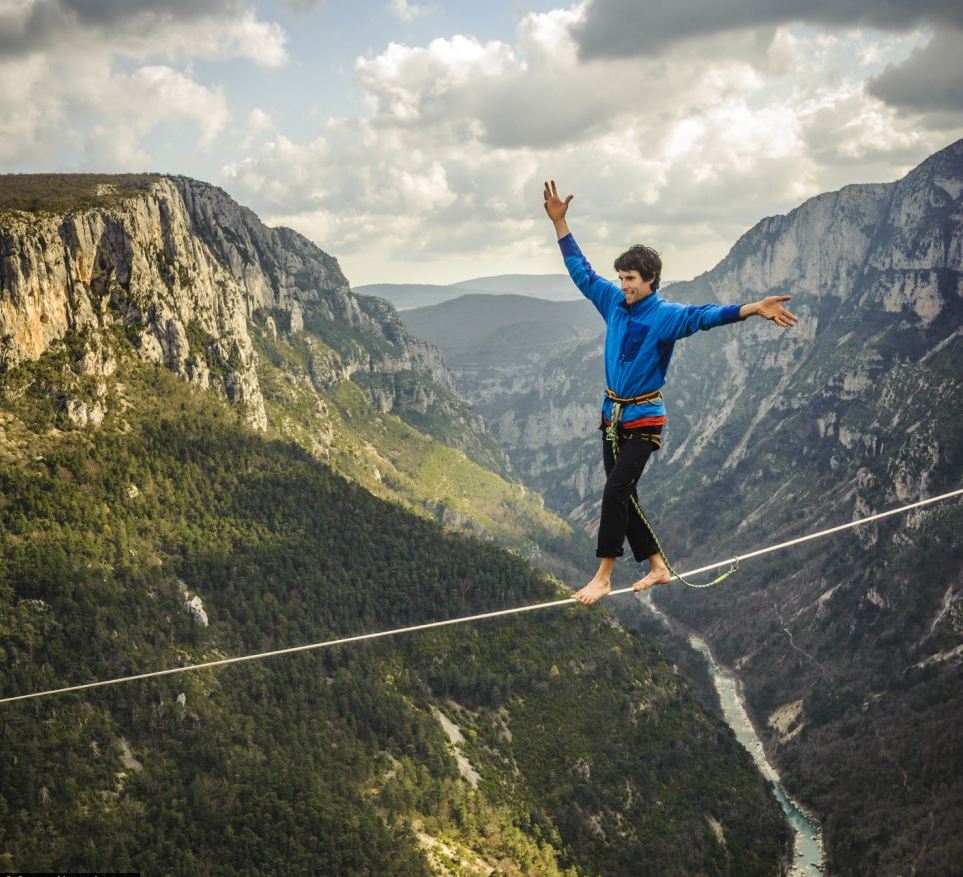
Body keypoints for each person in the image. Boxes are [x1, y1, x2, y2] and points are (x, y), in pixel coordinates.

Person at [543, 179, 797, 605]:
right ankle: (658, 566)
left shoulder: (665, 316)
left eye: (631, 279)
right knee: (627, 495)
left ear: (651, 280)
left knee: (614, 493)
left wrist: (753, 308)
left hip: (643, 419)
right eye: (621, 277)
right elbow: (581, 272)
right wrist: (561, 223)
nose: (623, 285)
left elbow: (706, 316)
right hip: (612, 417)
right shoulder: (611, 301)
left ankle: (603, 574)